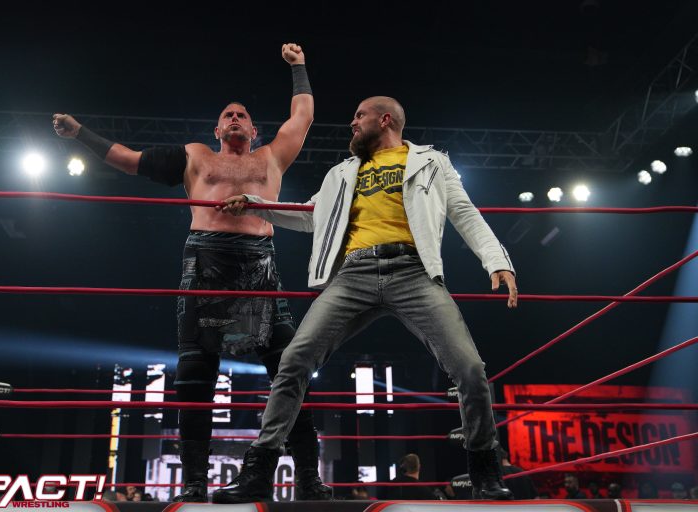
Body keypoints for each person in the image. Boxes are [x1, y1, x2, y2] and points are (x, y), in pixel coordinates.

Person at [53, 44, 331, 503]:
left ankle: (307, 477)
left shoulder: (271, 157)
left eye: (242, 115)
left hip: (260, 263)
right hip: (205, 260)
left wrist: (299, 67)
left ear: (254, 129)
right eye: (228, 115)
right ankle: (195, 481)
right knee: (195, 372)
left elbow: (303, 115)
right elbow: (129, 159)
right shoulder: (195, 156)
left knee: (289, 368)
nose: (235, 118)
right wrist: (80, 133)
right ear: (217, 129)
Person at [212, 96, 518, 503]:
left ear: (384, 119)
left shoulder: (431, 162)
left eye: (359, 116)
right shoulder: (341, 172)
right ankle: (259, 470)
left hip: (414, 272)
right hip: (352, 274)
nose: (352, 124)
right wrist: (255, 205)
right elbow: (308, 215)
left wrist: (497, 261)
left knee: (471, 368)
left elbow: (464, 212)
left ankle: (485, 472)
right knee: (294, 360)